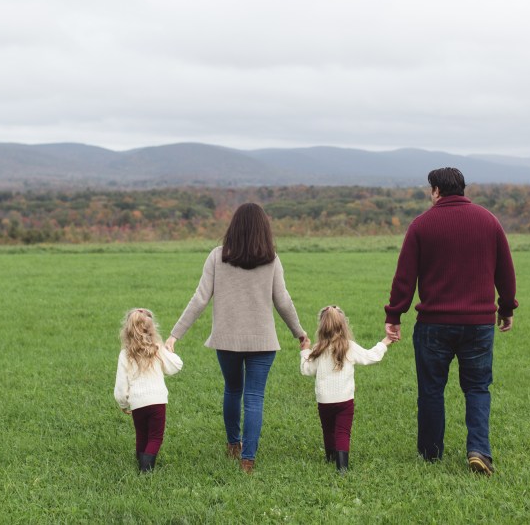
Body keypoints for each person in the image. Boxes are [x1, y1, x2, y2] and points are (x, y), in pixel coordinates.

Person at [384, 167, 517, 476]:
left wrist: (395, 314)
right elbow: (505, 271)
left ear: (436, 191)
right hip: (479, 324)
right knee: (477, 388)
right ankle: (479, 450)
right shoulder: (489, 221)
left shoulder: (421, 224)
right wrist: (506, 308)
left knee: (431, 390)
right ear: (462, 188)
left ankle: (431, 453)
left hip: (433, 324)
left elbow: (405, 277)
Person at [166, 203, 309, 474]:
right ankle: (248, 460)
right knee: (254, 397)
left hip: (226, 340)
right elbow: (283, 301)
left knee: (233, 390)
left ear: (233, 227)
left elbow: (199, 299)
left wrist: (175, 335)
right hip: (263, 341)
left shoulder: (217, 256)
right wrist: (299, 332)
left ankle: (233, 444)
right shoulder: (272, 259)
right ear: (264, 229)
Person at [300, 305, 392, 473]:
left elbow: (306, 370)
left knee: (328, 430)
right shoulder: (349, 346)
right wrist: (385, 342)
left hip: (324, 401)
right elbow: (371, 356)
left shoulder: (318, 349)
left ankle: (330, 458)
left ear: (321, 326)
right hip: (345, 400)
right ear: (343, 325)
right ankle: (342, 468)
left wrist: (305, 350)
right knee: (342, 432)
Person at [113, 308, 184, 473]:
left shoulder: (125, 354)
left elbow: (121, 384)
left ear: (128, 330)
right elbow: (176, 365)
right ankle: (145, 470)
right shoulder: (157, 349)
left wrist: (123, 403)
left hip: (137, 402)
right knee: (155, 437)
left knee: (141, 434)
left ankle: (141, 461)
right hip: (157, 401)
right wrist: (168, 350)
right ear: (152, 329)